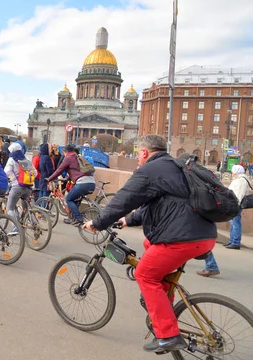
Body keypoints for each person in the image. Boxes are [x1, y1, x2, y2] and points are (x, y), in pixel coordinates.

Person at [84, 135, 216, 353]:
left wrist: (97, 223)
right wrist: (128, 220)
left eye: (138, 154)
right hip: (204, 236)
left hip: (181, 237)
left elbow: (123, 199)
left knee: (144, 274)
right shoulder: (175, 166)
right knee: (150, 247)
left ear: (145, 152)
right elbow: (161, 205)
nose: (137, 158)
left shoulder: (149, 170)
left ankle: (168, 335)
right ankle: (163, 302)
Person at [198, 164, 249, 279]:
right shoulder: (239, 179)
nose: (233, 172)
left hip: (235, 204)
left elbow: (238, 194)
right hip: (234, 203)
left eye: (234, 171)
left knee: (235, 224)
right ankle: (232, 241)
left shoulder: (241, 180)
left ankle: (235, 242)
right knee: (233, 224)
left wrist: (236, 205)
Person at [46, 144, 95, 225]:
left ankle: (79, 218)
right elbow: (76, 171)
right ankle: (73, 218)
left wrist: (49, 179)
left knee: (68, 199)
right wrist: (67, 178)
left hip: (82, 183)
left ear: (65, 151)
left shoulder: (68, 157)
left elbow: (59, 170)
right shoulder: (78, 157)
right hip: (91, 182)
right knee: (75, 198)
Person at [4, 142, 34, 221]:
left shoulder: (11, 159)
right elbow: (35, 172)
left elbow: (6, 172)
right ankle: (34, 223)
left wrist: (9, 178)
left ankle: (16, 226)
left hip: (17, 186)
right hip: (28, 187)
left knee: (9, 208)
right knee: (26, 209)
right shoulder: (26, 159)